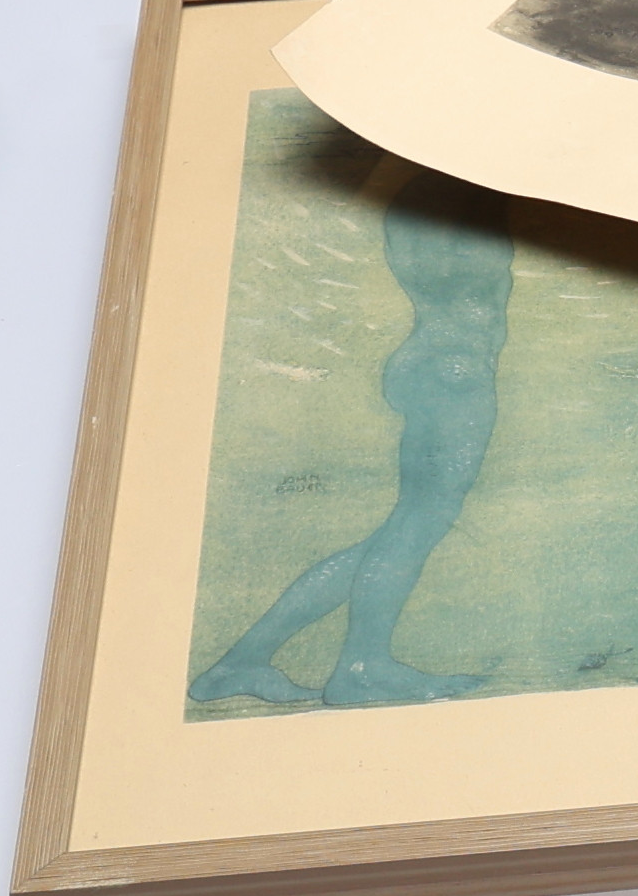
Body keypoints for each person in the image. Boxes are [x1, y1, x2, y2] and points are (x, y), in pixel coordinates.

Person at [188, 170, 512, 709]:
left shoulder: (420, 196)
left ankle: (242, 662)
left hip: (432, 361)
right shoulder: (461, 191)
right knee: (415, 528)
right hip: (455, 373)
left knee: (397, 533)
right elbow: (471, 279)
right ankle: (363, 667)